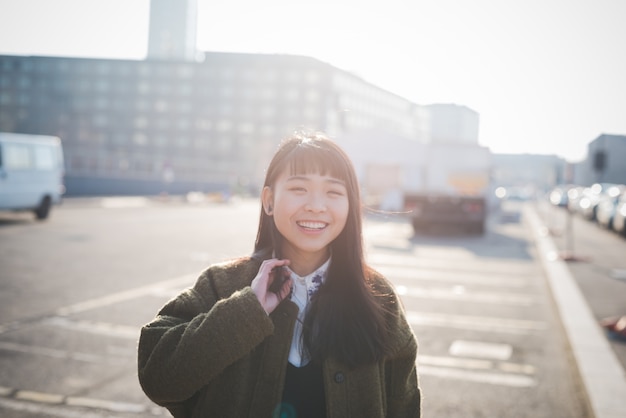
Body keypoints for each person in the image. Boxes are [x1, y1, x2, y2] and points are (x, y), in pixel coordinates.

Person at [137, 132, 421, 417]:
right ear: (269, 200)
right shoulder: (223, 284)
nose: (316, 205)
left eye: (334, 192)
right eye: (299, 188)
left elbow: (404, 405)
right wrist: (246, 310)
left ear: (350, 205)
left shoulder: (377, 297)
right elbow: (158, 379)